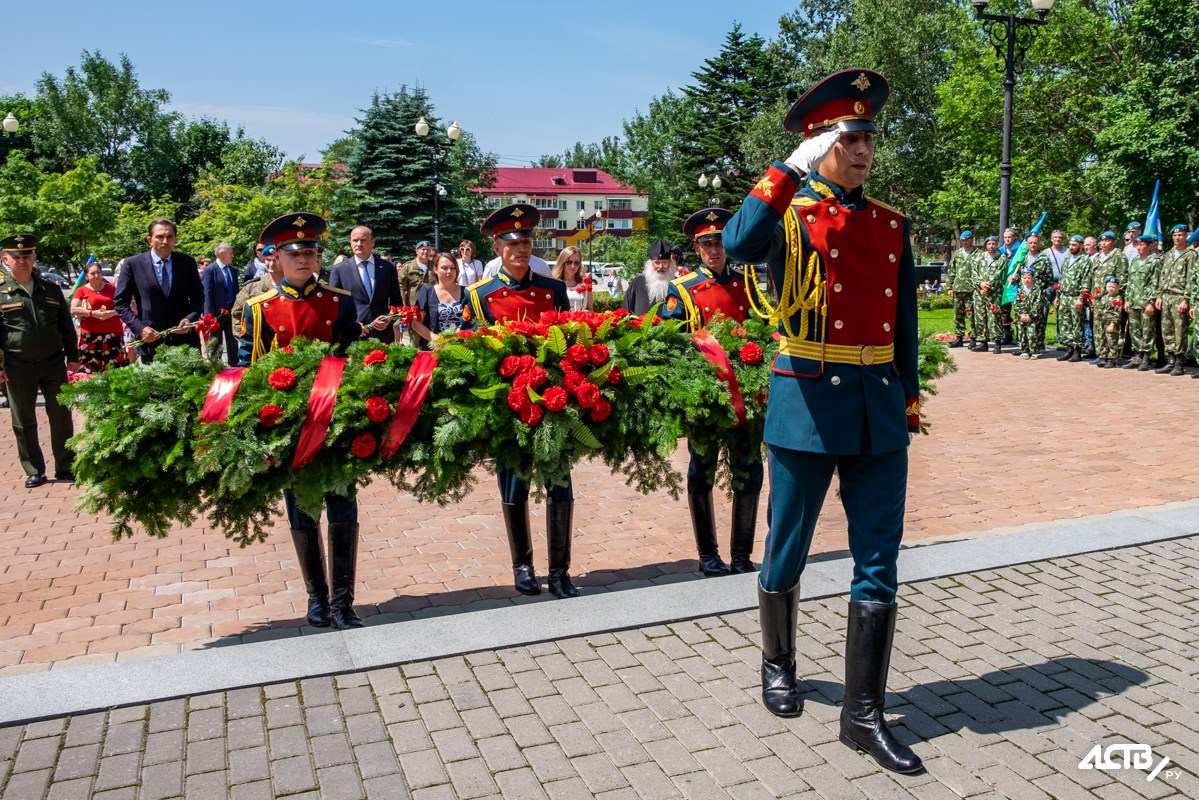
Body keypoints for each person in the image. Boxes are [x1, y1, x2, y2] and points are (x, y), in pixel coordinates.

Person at [722, 69, 923, 774]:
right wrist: (784, 171)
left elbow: (903, 323)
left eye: (868, 137)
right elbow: (737, 245)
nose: (864, 150)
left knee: (879, 560)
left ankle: (862, 715)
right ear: (819, 144)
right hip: (806, 400)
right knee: (789, 545)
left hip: (874, 405)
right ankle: (777, 663)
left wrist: (908, 394)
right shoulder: (789, 214)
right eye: (849, 138)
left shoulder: (891, 224)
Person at [239, 213, 363, 629]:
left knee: (343, 508)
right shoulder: (260, 309)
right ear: (276, 258)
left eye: (311, 252)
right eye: (295, 254)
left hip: (336, 422)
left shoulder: (339, 301)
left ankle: (344, 601)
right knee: (302, 511)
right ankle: (317, 599)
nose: (305, 260)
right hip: (291, 430)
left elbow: (356, 360)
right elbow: (249, 370)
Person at [460, 203, 578, 599]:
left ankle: (560, 570)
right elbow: (467, 352)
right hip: (508, 406)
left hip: (552, 403)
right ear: (497, 247)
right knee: (515, 484)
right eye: (512, 243)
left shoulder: (553, 289)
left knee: (560, 482)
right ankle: (523, 566)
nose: (521, 249)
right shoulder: (479, 296)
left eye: (526, 241)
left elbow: (569, 346)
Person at [659, 209, 763, 577]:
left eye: (719, 243)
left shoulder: (745, 286)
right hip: (707, 396)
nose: (714, 250)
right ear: (696, 248)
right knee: (702, 469)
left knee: (749, 470)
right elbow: (670, 341)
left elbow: (759, 331)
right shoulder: (684, 290)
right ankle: (708, 555)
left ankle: (741, 555)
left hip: (746, 398)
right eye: (707, 244)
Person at [0, 234, 81, 488]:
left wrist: (74, 357)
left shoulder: (51, 289)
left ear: (34, 257)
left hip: (53, 362)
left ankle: (66, 466)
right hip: (17, 364)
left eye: (27, 255)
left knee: (61, 415)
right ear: (5, 259)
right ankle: (34, 469)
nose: (22, 261)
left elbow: (67, 327)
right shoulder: (2, 292)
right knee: (23, 420)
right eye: (16, 257)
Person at [113, 218, 204, 363]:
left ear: (176, 239)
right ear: (150, 239)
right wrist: (140, 328)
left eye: (170, 237)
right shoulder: (133, 264)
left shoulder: (186, 262)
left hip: (184, 341)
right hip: (151, 341)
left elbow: (198, 297)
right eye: (160, 237)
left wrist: (190, 319)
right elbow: (120, 302)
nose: (165, 241)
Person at [329, 225, 403, 344]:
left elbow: (397, 301)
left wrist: (389, 319)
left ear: (372, 242)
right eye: (355, 240)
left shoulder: (387, 267)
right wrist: (354, 323)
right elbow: (334, 304)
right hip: (353, 336)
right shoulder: (339, 269)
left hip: (382, 336)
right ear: (350, 243)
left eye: (363, 240)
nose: (358, 244)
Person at [70, 260, 126, 372]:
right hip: (90, 336)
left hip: (112, 334)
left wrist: (112, 313)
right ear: (86, 276)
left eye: (98, 273)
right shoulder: (81, 291)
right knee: (89, 369)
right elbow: (73, 309)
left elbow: (123, 306)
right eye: (92, 273)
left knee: (114, 369)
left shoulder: (112, 289)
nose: (96, 276)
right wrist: (93, 314)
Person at [1156, 225, 1194, 376]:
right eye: (1175, 236)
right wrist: (1159, 295)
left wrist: (1186, 299)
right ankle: (1170, 359)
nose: (1177, 238)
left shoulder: (1190, 254)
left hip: (1179, 296)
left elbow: (1191, 279)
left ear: (1186, 237)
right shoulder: (1169, 254)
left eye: (1180, 235)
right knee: (1167, 329)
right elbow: (1163, 276)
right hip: (1166, 296)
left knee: (1180, 330)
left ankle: (1179, 361)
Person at [410, 252, 465, 349]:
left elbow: (472, 321)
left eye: (453, 268)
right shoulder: (427, 291)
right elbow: (416, 323)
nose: (449, 271)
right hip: (434, 349)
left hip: (461, 348)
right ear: (435, 269)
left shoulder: (466, 292)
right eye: (444, 268)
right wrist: (437, 340)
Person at [1123, 234, 1162, 371]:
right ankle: (1137, 356)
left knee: (1147, 331)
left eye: (1141, 245)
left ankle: (1146, 357)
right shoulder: (1134, 261)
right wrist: (1127, 299)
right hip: (1134, 301)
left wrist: (1151, 302)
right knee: (1135, 331)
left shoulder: (1154, 261)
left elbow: (1155, 283)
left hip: (1146, 302)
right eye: (1137, 245)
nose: (1139, 247)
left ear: (1150, 246)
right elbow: (1130, 281)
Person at [201, 243, 241, 364]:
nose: (232, 255)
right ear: (221, 254)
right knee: (216, 344)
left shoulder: (233, 270)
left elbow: (236, 291)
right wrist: (210, 315)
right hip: (216, 314)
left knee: (233, 343)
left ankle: (234, 368)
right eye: (230, 253)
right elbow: (206, 294)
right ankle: (215, 369)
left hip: (231, 312)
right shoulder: (210, 270)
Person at [1055, 235, 1089, 362]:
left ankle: (1077, 350)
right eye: (1069, 245)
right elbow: (1062, 278)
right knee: (1065, 324)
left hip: (1075, 297)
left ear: (1080, 245)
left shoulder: (1084, 260)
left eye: (1074, 245)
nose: (1071, 247)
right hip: (1064, 296)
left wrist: (1081, 298)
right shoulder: (1068, 259)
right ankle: (1069, 349)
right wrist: (1058, 296)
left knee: (1077, 324)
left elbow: (1086, 281)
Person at [623, 239, 677, 316]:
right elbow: (626, 310)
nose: (660, 267)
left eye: (664, 263)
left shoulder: (677, 283)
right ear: (650, 263)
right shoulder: (637, 282)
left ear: (670, 264)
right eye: (657, 263)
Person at [231, 245, 278, 334]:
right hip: (259, 344)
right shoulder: (252, 287)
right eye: (268, 260)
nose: (271, 264)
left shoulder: (294, 284)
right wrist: (246, 339)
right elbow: (236, 314)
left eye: (275, 260)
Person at [945, 231, 980, 347]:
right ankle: (959, 337)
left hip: (972, 290)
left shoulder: (979, 254)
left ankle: (973, 338)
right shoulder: (957, 254)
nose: (965, 242)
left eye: (968, 239)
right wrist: (949, 287)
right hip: (958, 289)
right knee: (958, 315)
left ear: (972, 239)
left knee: (972, 315)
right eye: (963, 240)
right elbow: (951, 271)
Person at [973, 236, 1007, 354]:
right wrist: (980, 284)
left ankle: (997, 343)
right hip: (979, 293)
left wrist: (987, 286)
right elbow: (974, 273)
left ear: (997, 245)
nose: (991, 246)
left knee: (995, 317)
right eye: (989, 244)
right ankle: (983, 342)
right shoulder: (979, 257)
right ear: (986, 245)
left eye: (993, 243)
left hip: (994, 293)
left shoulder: (1001, 258)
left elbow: (999, 274)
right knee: (980, 317)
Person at [1012, 267, 1047, 358]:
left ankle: (1034, 351)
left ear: (1033, 278)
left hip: (1033, 317)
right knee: (1022, 332)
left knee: (1032, 333)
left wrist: (1030, 315)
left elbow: (1038, 303)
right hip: (1022, 316)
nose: (1026, 280)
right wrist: (1022, 314)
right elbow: (1017, 303)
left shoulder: (1037, 290)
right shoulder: (1020, 289)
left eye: (1028, 278)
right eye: (1024, 278)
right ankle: (1024, 350)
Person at [1095, 276, 1124, 368]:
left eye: (1113, 287)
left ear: (1118, 288)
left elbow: (1117, 313)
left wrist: (1113, 324)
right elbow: (1101, 308)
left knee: (1112, 341)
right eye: (1109, 286)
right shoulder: (1104, 297)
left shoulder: (1118, 298)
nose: (1111, 289)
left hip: (1111, 323)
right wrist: (1099, 312)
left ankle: (1112, 359)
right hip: (1103, 322)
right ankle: (1103, 357)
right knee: (1102, 339)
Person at [552, 246, 593, 312]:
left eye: (576, 263)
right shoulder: (553, 283)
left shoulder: (585, 283)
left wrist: (586, 313)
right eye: (569, 262)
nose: (573, 266)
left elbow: (590, 309)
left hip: (581, 321)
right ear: (562, 262)